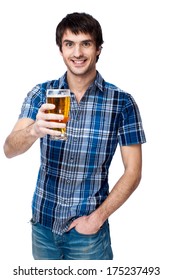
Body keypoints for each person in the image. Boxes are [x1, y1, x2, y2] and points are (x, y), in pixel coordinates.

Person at [3, 12, 146, 260]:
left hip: (88, 234)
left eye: (86, 44)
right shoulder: (42, 93)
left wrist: (97, 218)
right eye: (69, 44)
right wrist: (34, 130)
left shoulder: (122, 103)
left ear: (98, 49)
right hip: (42, 226)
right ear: (61, 50)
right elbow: (9, 149)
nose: (77, 53)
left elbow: (133, 171)